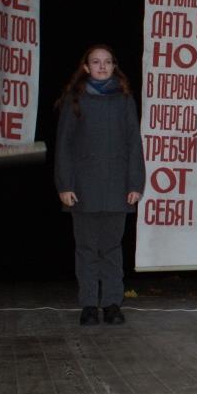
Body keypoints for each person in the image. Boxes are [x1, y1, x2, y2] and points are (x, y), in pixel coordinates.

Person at [55, 44, 145, 326]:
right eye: (96, 62)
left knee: (112, 248)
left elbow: (134, 142)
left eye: (107, 62)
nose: (102, 66)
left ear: (114, 66)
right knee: (86, 249)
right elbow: (64, 145)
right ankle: (89, 305)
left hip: (118, 187)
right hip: (83, 187)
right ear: (86, 67)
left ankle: (112, 304)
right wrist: (65, 185)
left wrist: (135, 183)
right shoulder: (75, 98)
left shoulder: (124, 98)